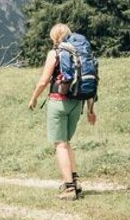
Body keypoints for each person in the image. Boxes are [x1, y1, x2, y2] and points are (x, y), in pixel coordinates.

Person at [27, 23, 96, 200]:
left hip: (59, 102)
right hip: (77, 103)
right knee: (66, 143)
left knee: (60, 144)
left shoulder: (55, 53)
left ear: (54, 37)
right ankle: (75, 182)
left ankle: (69, 188)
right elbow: (89, 79)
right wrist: (91, 110)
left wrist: (34, 98)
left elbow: (44, 81)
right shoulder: (81, 53)